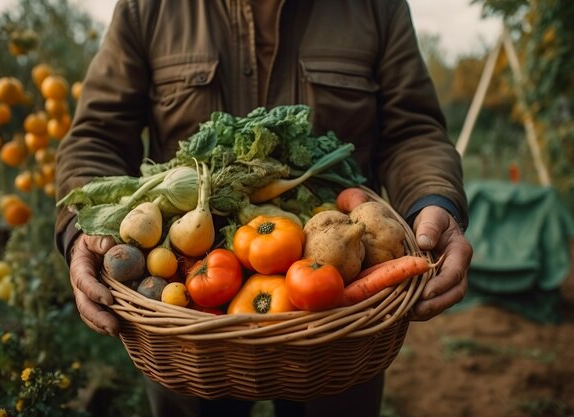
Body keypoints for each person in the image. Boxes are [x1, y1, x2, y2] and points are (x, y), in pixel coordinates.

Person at [55, 1, 473, 416]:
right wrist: (85, 232)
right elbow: (97, 136)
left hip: (341, 325)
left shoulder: (376, 8)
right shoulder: (147, 8)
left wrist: (434, 201)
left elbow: (413, 132)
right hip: (185, 326)